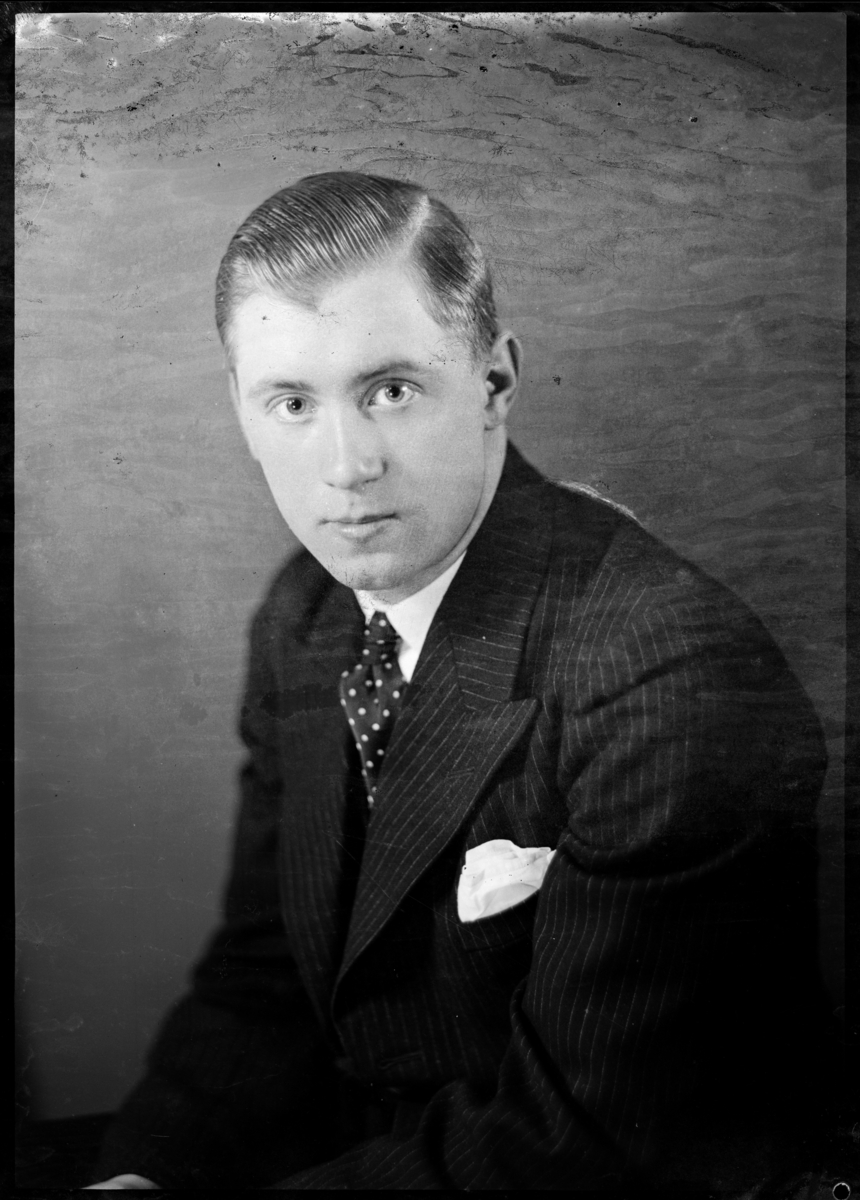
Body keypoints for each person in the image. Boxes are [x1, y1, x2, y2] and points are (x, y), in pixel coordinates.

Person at [88, 171, 834, 1191]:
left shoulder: (669, 670)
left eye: (390, 390)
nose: (345, 466)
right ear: (240, 408)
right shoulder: (305, 616)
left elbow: (582, 1143)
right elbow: (264, 974)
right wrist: (147, 1178)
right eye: (292, 402)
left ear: (494, 382)